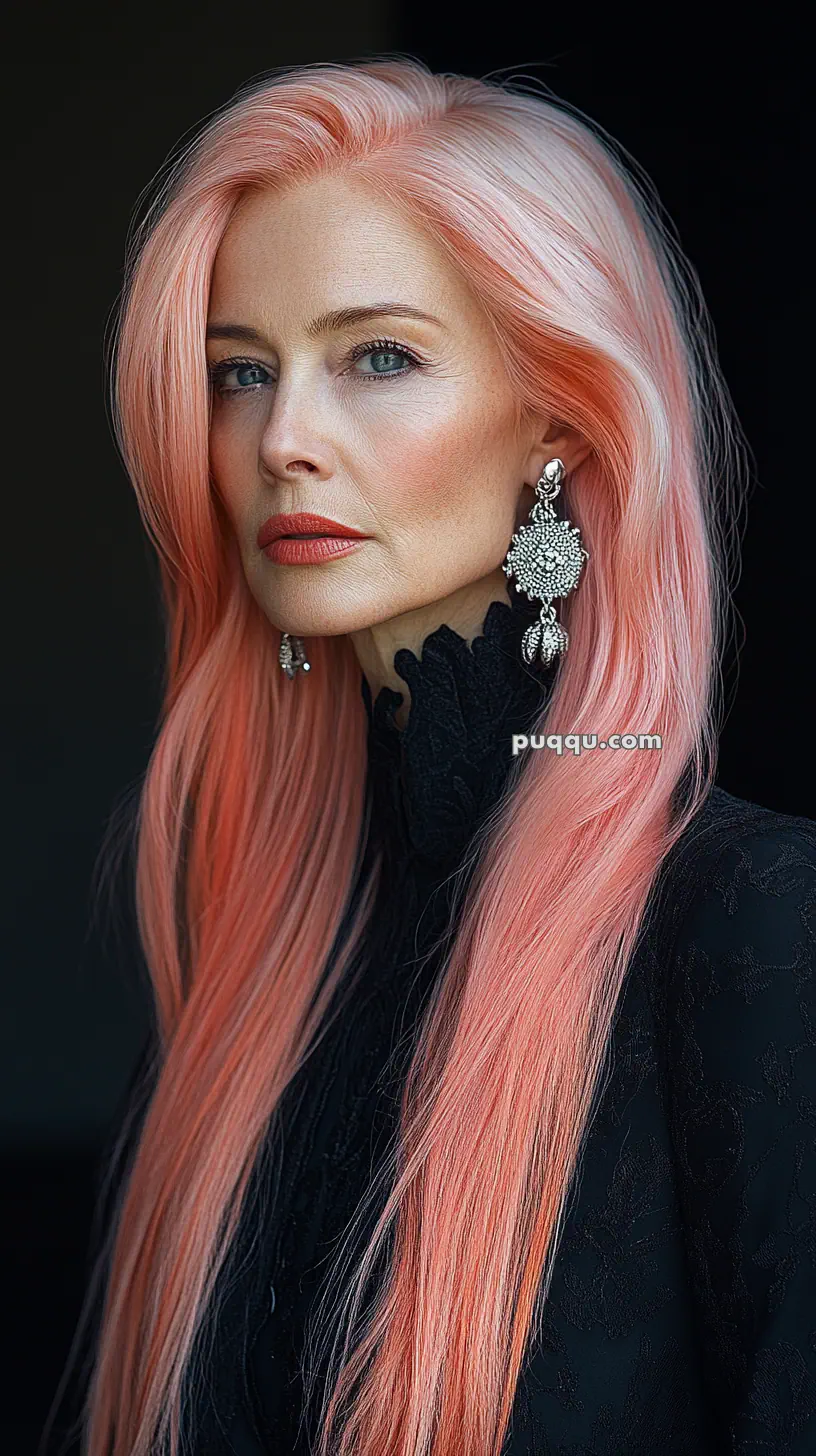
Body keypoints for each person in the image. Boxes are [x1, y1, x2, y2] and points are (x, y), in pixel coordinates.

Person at [43, 57, 816, 1456]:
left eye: (378, 357)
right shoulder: (259, 979)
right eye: (240, 373)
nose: (283, 441)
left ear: (559, 418)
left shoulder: (746, 927)